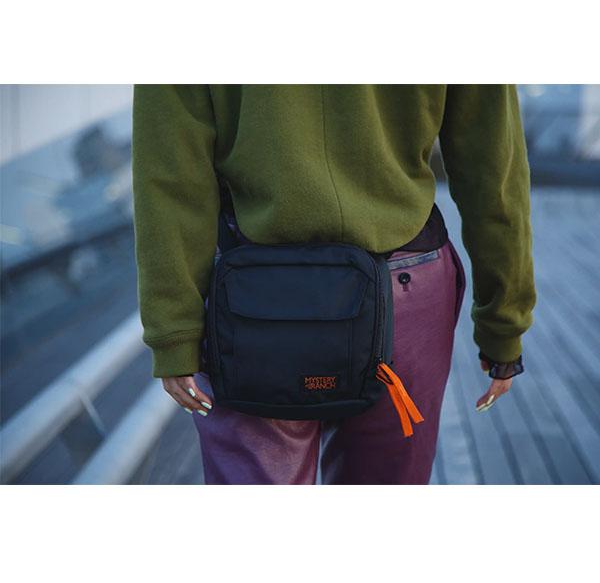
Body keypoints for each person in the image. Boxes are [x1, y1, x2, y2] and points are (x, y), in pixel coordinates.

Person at [132, 85, 536, 484]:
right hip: (401, 286)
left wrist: (174, 330)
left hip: (253, 301)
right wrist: (504, 321)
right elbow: (493, 164)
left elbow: (170, 169)